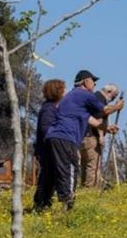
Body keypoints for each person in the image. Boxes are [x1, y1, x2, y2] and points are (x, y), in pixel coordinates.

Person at [42, 70, 121, 210]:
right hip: (65, 136)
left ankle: (43, 203)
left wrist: (107, 129)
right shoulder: (84, 94)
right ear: (85, 82)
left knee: (55, 170)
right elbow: (106, 110)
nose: (95, 84)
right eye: (93, 81)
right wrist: (118, 106)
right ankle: (68, 204)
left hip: (52, 136)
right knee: (71, 168)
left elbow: (91, 120)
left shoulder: (72, 98)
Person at [31, 79, 66, 212]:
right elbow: (46, 129)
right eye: (63, 89)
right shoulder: (48, 110)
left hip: (51, 150)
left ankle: (44, 203)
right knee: (47, 178)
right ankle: (40, 203)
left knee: (50, 178)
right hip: (48, 150)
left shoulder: (53, 108)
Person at [80, 83, 120, 188]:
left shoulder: (94, 97)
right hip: (92, 136)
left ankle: (84, 189)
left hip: (82, 136)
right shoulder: (100, 98)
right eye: (113, 96)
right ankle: (90, 191)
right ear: (109, 92)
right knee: (93, 166)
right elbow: (99, 117)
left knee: (85, 166)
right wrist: (101, 136)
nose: (112, 99)